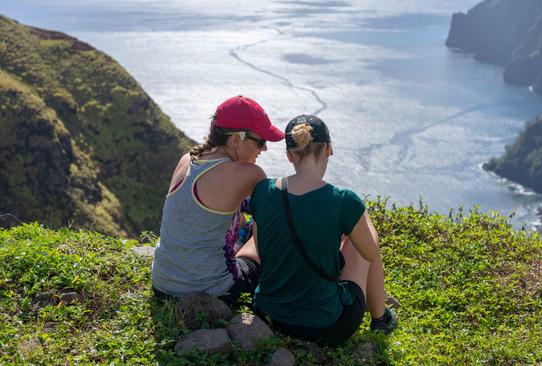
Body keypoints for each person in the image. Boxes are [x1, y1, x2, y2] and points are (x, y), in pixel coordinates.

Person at [250, 115, 397, 346]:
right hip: (326, 326)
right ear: (329, 149)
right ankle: (381, 318)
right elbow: (370, 253)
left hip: (269, 316)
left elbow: (263, 254)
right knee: (364, 237)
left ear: (290, 155)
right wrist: (360, 216)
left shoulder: (263, 191)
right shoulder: (343, 200)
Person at [151, 95, 284, 305]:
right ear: (236, 139)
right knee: (261, 232)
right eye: (260, 141)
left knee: (244, 226)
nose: (264, 149)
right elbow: (269, 233)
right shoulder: (250, 173)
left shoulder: (187, 159)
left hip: (162, 285)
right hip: (212, 290)